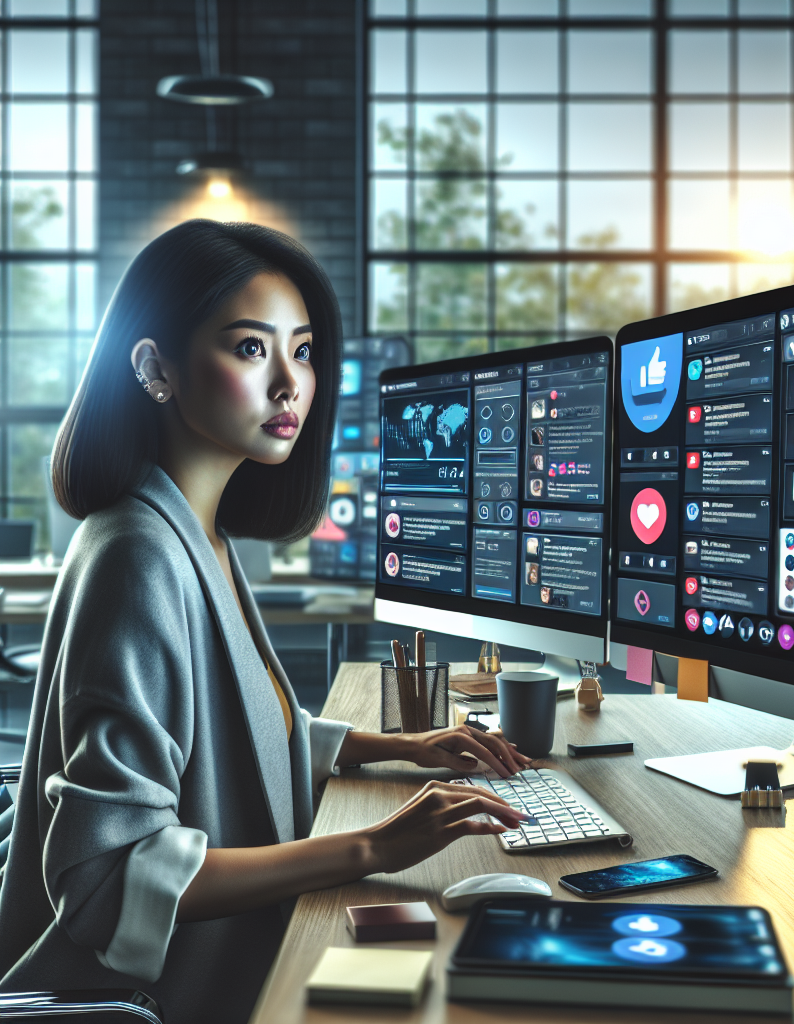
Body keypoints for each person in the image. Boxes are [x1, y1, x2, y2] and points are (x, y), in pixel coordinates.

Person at [0, 221, 528, 1023]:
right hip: (151, 996)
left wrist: (399, 747)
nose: (290, 385)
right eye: (252, 349)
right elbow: (108, 879)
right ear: (155, 370)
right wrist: (372, 847)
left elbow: (235, 732)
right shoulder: (139, 556)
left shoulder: (194, 529)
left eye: (304, 351)